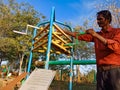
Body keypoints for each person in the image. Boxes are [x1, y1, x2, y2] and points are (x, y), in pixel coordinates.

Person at [63, 10, 120, 90]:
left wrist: (95, 35)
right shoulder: (97, 35)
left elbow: (116, 46)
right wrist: (64, 31)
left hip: (114, 72)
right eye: (97, 19)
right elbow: (79, 36)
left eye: (100, 19)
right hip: (100, 73)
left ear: (107, 19)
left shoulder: (117, 32)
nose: (98, 21)